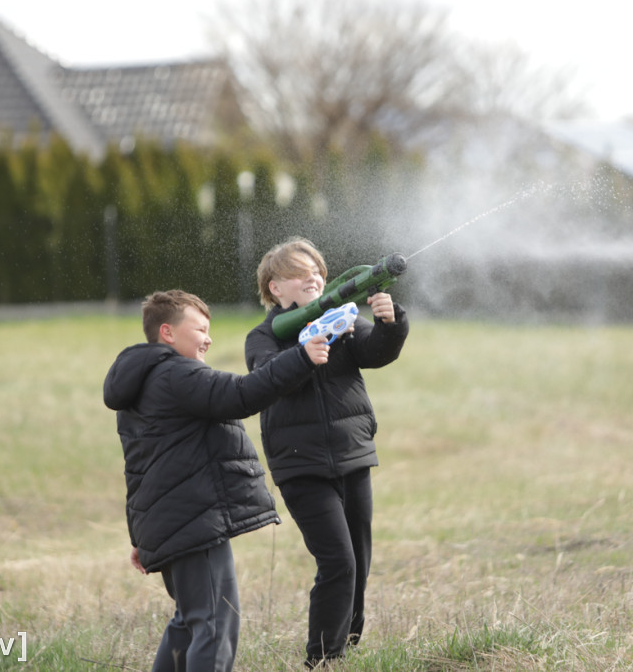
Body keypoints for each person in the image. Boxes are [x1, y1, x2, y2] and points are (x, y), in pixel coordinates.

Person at [103, 289, 330, 672]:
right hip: (194, 523)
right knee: (213, 622)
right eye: (201, 328)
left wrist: (140, 536)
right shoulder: (177, 373)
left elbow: (139, 469)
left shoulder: (140, 385)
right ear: (168, 333)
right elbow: (241, 394)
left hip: (169, 525)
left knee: (190, 621)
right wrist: (301, 356)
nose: (209, 337)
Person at [244, 238, 409, 668]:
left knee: (359, 557)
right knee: (337, 561)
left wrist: (391, 324)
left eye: (317, 270)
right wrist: (303, 354)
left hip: (353, 454)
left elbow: (375, 353)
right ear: (275, 288)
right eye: (299, 273)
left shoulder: (342, 320)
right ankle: (322, 659)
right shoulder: (263, 337)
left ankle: (348, 644)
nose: (313, 277)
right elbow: (265, 378)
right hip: (301, 466)